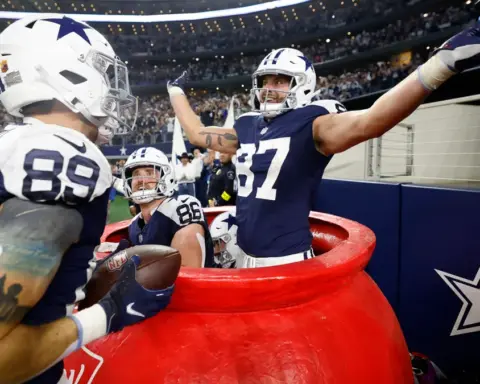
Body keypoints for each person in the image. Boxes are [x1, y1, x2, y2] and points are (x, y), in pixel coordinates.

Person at [167, 24, 480, 268]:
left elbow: (372, 120)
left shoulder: (313, 123)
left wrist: (442, 64)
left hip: (286, 258)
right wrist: (175, 91)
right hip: (244, 252)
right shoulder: (247, 124)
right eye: (265, 81)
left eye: (280, 81)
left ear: (301, 84)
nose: (269, 89)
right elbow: (196, 134)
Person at [0, 15, 174, 383]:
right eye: (104, 74)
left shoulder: (18, 145)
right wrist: (106, 313)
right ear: (67, 74)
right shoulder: (64, 155)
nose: (113, 91)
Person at [122, 147, 215, 268]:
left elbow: (188, 276)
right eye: (136, 174)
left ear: (165, 176)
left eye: (149, 173)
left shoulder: (181, 207)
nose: (141, 180)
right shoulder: (135, 224)